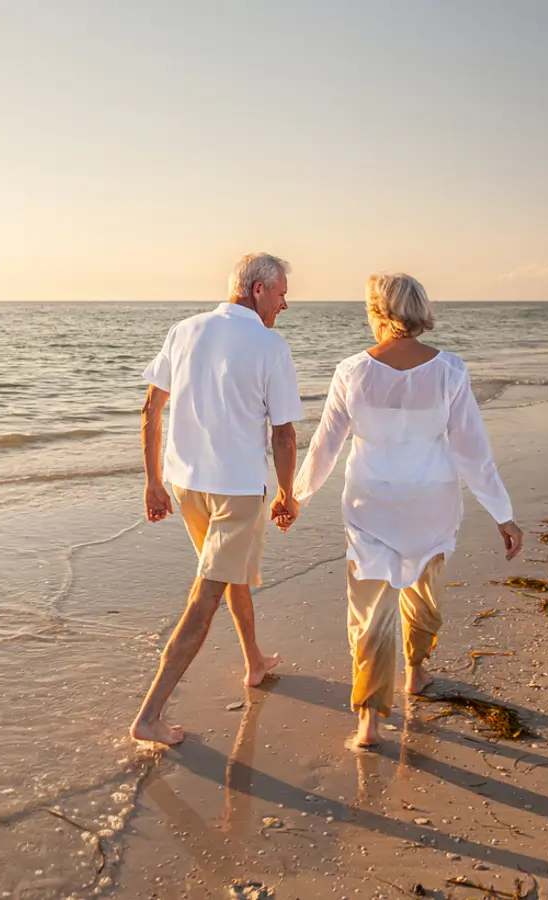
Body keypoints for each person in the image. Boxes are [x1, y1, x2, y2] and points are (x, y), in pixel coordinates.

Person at [287, 273, 523, 748]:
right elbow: (473, 452)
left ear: (377, 312)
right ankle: (415, 672)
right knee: (423, 593)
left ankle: (369, 721)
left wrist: (296, 497)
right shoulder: (450, 370)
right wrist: (503, 513)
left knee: (370, 611)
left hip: (370, 504)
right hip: (431, 504)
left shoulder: (352, 370)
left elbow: (325, 449)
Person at [130, 253, 303, 746]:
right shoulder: (270, 346)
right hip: (237, 491)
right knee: (206, 593)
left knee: (230, 575)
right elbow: (285, 434)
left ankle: (253, 661)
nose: (285, 303)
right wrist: (288, 493)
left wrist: (154, 481)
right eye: (282, 293)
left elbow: (150, 410)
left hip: (186, 485)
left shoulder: (184, 330)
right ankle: (150, 715)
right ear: (257, 290)